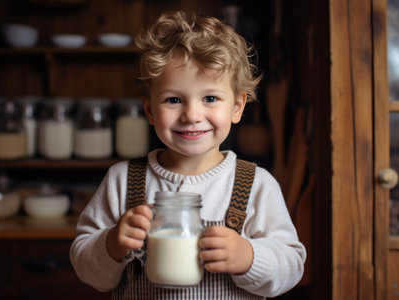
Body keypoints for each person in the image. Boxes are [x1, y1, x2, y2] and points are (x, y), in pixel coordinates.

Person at [70, 10, 306, 299]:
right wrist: (110, 245)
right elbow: (85, 267)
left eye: (210, 98)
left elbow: (292, 266)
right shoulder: (123, 180)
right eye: (173, 99)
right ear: (149, 110)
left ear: (237, 107)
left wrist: (250, 257)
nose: (192, 115)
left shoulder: (256, 184)